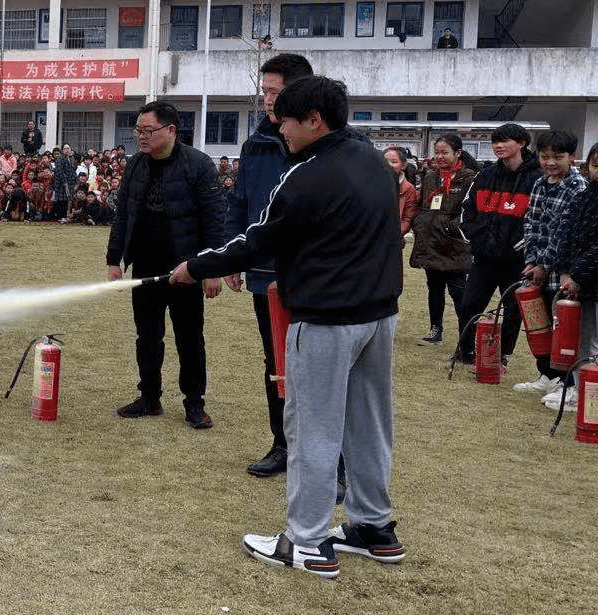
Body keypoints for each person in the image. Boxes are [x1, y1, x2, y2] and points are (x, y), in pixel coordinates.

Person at [172, 76, 405, 579]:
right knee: (368, 426)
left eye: (287, 123)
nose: (281, 132)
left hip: (324, 319)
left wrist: (196, 266)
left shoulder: (306, 176)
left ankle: (306, 541)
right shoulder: (375, 163)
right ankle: (373, 528)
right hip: (379, 317)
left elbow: (258, 240)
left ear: (314, 120)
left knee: (312, 430)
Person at [106, 100, 226, 429]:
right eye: (138, 131)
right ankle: (149, 397)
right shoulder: (135, 165)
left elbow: (214, 222)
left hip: (185, 267)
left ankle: (194, 404)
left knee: (189, 338)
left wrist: (210, 268)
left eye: (148, 131)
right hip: (145, 265)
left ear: (171, 130)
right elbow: (123, 216)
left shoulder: (199, 165)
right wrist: (114, 260)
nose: (141, 137)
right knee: (147, 336)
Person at [222, 52, 312, 478]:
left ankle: (332, 460)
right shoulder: (255, 144)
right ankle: (282, 444)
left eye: (274, 92)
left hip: (316, 275)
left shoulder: (328, 144)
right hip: (265, 273)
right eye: (264, 92)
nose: (267, 101)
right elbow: (240, 202)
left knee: (319, 365)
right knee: (276, 361)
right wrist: (232, 259)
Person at [455, 124, 541, 367]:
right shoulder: (486, 175)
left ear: (522, 143)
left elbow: (540, 219)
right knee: (469, 304)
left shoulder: (536, 178)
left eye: (505, 141)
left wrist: (524, 247)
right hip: (484, 258)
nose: (499, 146)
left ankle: (500, 357)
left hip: (517, 262)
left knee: (513, 311)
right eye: (495, 141)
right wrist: (475, 237)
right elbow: (466, 210)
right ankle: (466, 352)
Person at [515, 130, 588, 396]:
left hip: (564, 271)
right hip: (539, 268)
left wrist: (544, 265)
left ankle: (568, 383)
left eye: (557, 157)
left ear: (572, 157)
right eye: (545, 157)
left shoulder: (578, 188)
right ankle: (547, 373)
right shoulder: (539, 183)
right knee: (540, 324)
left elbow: (564, 232)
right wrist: (533, 259)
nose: (550, 163)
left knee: (565, 328)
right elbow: (531, 223)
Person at [409, 133, 475, 346]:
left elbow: (470, 210)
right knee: (434, 288)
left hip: (454, 244)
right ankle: (435, 330)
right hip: (431, 241)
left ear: (458, 153)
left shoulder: (469, 178)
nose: (439, 157)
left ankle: (465, 336)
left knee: (458, 291)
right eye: (437, 152)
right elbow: (423, 206)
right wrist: (420, 223)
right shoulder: (430, 177)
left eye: (444, 152)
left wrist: (450, 227)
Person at [547, 141, 598, 410]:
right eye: (595, 163)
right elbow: (564, 236)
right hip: (579, 283)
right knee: (581, 340)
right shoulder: (583, 196)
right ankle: (580, 392)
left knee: (594, 343)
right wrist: (566, 270)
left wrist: (577, 274)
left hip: (588, 279)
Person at [384, 147, 419, 239]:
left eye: (394, 162)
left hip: (392, 238)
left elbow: (407, 218)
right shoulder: (369, 184)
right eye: (385, 161)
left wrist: (395, 235)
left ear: (403, 165)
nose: (389, 165)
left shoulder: (408, 189)